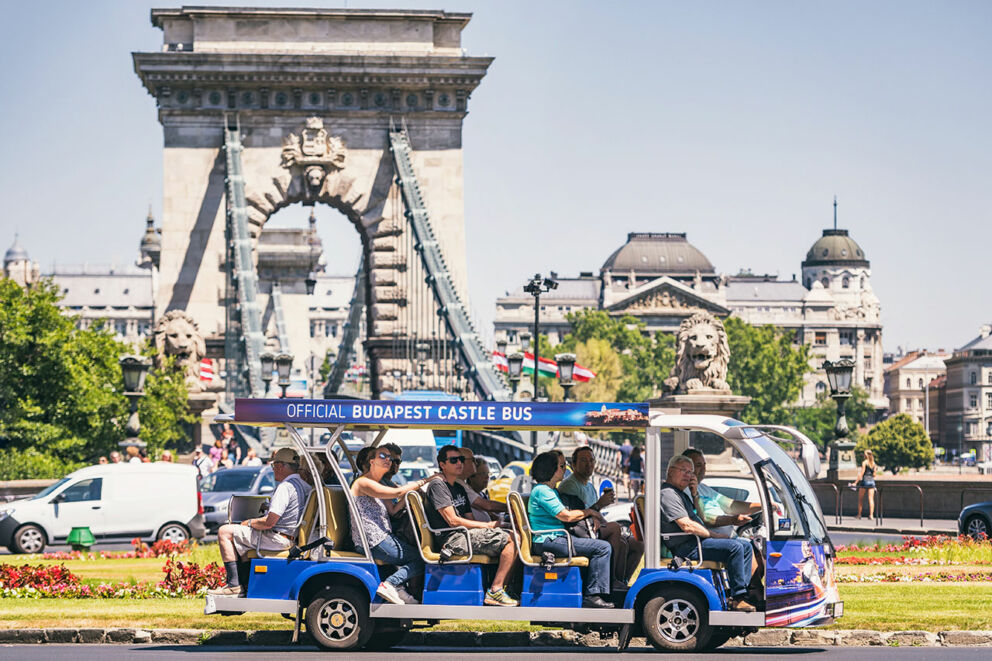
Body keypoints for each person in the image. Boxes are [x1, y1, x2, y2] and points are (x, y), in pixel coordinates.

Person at [208, 448, 313, 596]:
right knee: (242, 540)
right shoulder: (304, 486)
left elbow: (269, 523)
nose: (273, 469)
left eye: (274, 466)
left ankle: (233, 585)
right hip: (290, 536)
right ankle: (245, 585)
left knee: (224, 531)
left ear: (280, 466)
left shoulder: (285, 487)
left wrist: (248, 522)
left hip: (277, 539)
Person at [424, 444, 519, 606]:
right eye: (454, 460)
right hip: (452, 539)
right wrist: (489, 526)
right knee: (512, 538)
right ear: (442, 464)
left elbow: (470, 519)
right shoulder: (438, 485)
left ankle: (504, 588)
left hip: (464, 535)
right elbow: (453, 521)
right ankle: (496, 590)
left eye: (461, 459)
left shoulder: (458, 487)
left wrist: (495, 526)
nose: (459, 463)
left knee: (512, 533)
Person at [660, 455, 755, 612]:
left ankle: (740, 594)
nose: (688, 475)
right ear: (670, 471)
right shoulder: (668, 494)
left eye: (690, 472)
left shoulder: (681, 493)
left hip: (695, 542)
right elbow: (687, 525)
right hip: (686, 547)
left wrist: (694, 494)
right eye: (684, 470)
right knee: (735, 547)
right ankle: (738, 598)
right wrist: (715, 536)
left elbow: (701, 517)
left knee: (746, 546)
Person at [349, 445, 442, 605]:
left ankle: (398, 587)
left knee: (417, 551)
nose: (388, 460)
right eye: (382, 456)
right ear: (371, 461)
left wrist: (411, 495)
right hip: (373, 541)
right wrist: (426, 480)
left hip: (382, 537)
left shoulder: (377, 483)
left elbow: (393, 509)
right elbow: (397, 493)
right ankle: (390, 584)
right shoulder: (363, 483)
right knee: (421, 559)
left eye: (390, 458)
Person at [527, 451, 614, 608]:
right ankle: (593, 595)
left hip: (556, 538)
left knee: (597, 544)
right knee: (603, 548)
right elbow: (566, 516)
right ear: (551, 469)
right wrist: (590, 512)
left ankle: (601, 588)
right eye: (562, 466)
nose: (565, 469)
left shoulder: (551, 491)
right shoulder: (542, 491)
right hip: (548, 540)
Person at [558, 447, 643, 585]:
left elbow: (594, 512)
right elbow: (577, 516)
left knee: (636, 544)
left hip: (592, 527)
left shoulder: (590, 486)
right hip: (579, 531)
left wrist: (600, 507)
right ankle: (611, 581)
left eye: (591, 460)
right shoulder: (570, 485)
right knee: (616, 530)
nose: (589, 464)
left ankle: (622, 581)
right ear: (573, 464)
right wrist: (599, 505)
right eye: (583, 460)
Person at [682, 448, 761, 536]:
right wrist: (731, 520)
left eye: (704, 465)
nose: (703, 469)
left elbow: (731, 506)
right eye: (698, 465)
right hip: (712, 539)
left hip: (731, 537)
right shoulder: (683, 491)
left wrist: (764, 506)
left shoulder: (703, 488)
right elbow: (701, 517)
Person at [459, 447, 507, 523]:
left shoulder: (482, 495)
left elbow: (492, 516)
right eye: (483, 474)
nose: (487, 477)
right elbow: (488, 506)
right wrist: (510, 507)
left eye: (488, 474)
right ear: (471, 477)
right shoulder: (463, 489)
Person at [853, 449, 877, 520]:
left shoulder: (864, 463)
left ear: (866, 455)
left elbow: (861, 473)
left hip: (865, 481)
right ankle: (871, 515)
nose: (863, 455)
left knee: (860, 499)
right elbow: (874, 475)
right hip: (872, 482)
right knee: (871, 499)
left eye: (864, 454)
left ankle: (859, 515)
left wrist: (855, 482)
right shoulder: (873, 463)